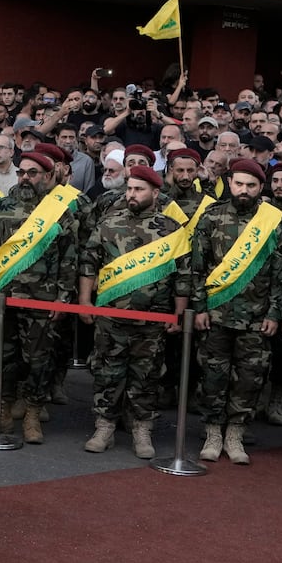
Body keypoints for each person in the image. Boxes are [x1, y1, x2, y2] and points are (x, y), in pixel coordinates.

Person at [78, 164, 191, 458]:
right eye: (129, 189)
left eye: (139, 190)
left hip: (153, 319)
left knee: (147, 375)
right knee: (107, 372)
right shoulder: (108, 223)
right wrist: (86, 301)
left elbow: (183, 275)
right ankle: (105, 426)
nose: (132, 194)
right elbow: (89, 263)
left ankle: (142, 428)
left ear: (155, 193)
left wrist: (178, 314)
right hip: (111, 316)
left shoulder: (171, 229)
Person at [0, 149, 81, 442]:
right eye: (21, 172)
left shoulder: (58, 211)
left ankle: (32, 414)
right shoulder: (2, 207)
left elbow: (69, 258)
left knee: (37, 361)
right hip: (2, 298)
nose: (24, 178)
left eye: (32, 173)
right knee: (0, 359)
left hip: (41, 300)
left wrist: (62, 297)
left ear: (47, 177)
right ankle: (1, 413)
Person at [188, 159, 282, 464]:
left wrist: (274, 313)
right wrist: (200, 307)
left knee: (250, 378)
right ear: (230, 183)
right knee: (212, 376)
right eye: (239, 184)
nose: (244, 190)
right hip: (216, 314)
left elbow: (280, 272)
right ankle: (213, 433)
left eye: (251, 185)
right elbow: (197, 268)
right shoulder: (211, 216)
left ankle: (235, 433)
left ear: (261, 187)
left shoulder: (273, 220)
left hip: (256, 318)